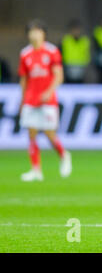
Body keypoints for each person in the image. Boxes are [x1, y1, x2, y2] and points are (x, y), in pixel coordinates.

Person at [18, 19, 72, 182]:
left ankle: (64, 155)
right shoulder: (25, 53)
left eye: (37, 31)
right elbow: (24, 79)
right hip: (30, 100)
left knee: (49, 134)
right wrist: (22, 100)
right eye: (31, 31)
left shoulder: (52, 51)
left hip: (48, 100)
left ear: (43, 33)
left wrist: (49, 91)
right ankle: (36, 170)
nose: (34, 34)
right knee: (31, 134)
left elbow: (59, 76)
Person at [60, 19, 91, 83]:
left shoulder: (85, 41)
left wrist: (86, 64)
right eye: (74, 29)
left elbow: (87, 54)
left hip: (81, 67)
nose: (76, 31)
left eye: (77, 29)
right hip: (68, 67)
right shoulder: (65, 40)